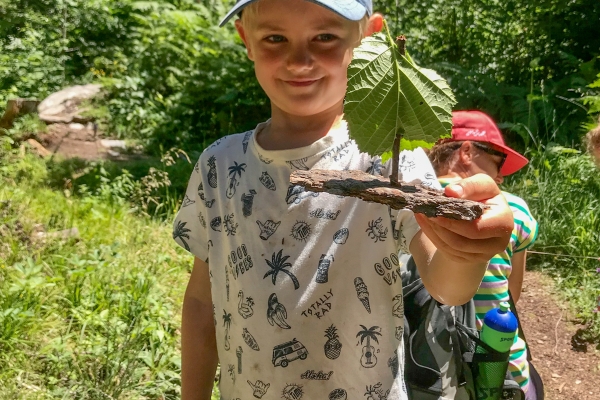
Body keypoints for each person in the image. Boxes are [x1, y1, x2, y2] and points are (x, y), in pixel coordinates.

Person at [172, 2, 513, 399]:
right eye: (275, 38)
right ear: (247, 40)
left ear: (369, 36)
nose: (299, 61)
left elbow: (446, 286)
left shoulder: (389, 158)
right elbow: (201, 300)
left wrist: (466, 250)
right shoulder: (219, 164)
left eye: (325, 37)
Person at [428, 110, 540, 399]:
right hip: (497, 368)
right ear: (467, 151)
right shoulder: (514, 210)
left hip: (424, 369)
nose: (501, 176)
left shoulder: (400, 199)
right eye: (498, 162)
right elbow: (511, 295)